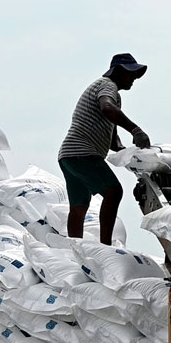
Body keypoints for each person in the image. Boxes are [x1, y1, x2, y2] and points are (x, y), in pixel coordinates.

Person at [58, 53, 151, 245]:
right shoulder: (108, 87)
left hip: (68, 155)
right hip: (83, 153)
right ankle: (105, 246)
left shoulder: (107, 91)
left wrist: (128, 153)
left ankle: (74, 246)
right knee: (113, 191)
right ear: (117, 72)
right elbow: (107, 108)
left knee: (79, 205)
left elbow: (113, 140)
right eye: (130, 73)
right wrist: (136, 130)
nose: (133, 79)